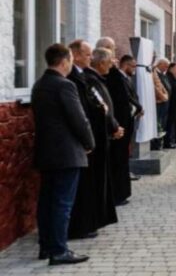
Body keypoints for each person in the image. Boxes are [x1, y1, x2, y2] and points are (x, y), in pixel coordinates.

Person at [33, 43, 95, 265]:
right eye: (70, 59)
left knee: (47, 201)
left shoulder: (39, 85)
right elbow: (78, 119)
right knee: (62, 203)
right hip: (66, 153)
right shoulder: (65, 85)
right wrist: (89, 143)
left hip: (46, 152)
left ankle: (46, 246)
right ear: (64, 61)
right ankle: (59, 250)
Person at [66, 43, 122, 241]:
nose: (91, 58)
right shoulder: (79, 79)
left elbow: (102, 105)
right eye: (88, 54)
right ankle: (82, 224)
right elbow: (91, 108)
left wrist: (112, 123)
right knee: (87, 184)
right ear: (76, 55)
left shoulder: (85, 77)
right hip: (90, 138)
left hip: (97, 135)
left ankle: (91, 220)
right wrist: (111, 125)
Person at [106, 54, 143, 205]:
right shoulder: (116, 78)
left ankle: (122, 192)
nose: (134, 70)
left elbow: (132, 97)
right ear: (126, 65)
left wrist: (138, 108)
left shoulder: (125, 78)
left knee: (123, 157)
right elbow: (123, 100)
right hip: (120, 124)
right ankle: (117, 194)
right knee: (118, 158)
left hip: (127, 122)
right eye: (133, 66)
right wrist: (138, 107)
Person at [155, 59, 176, 149]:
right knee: (159, 123)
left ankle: (161, 142)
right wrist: (164, 96)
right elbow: (157, 87)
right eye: (165, 65)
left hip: (166, 102)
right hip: (160, 102)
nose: (167, 68)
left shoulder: (163, 75)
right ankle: (157, 143)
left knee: (163, 123)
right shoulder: (156, 74)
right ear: (160, 64)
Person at [166, 63, 176, 148]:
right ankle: (169, 141)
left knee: (175, 123)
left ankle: (174, 139)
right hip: (172, 104)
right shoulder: (169, 78)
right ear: (171, 69)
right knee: (171, 123)